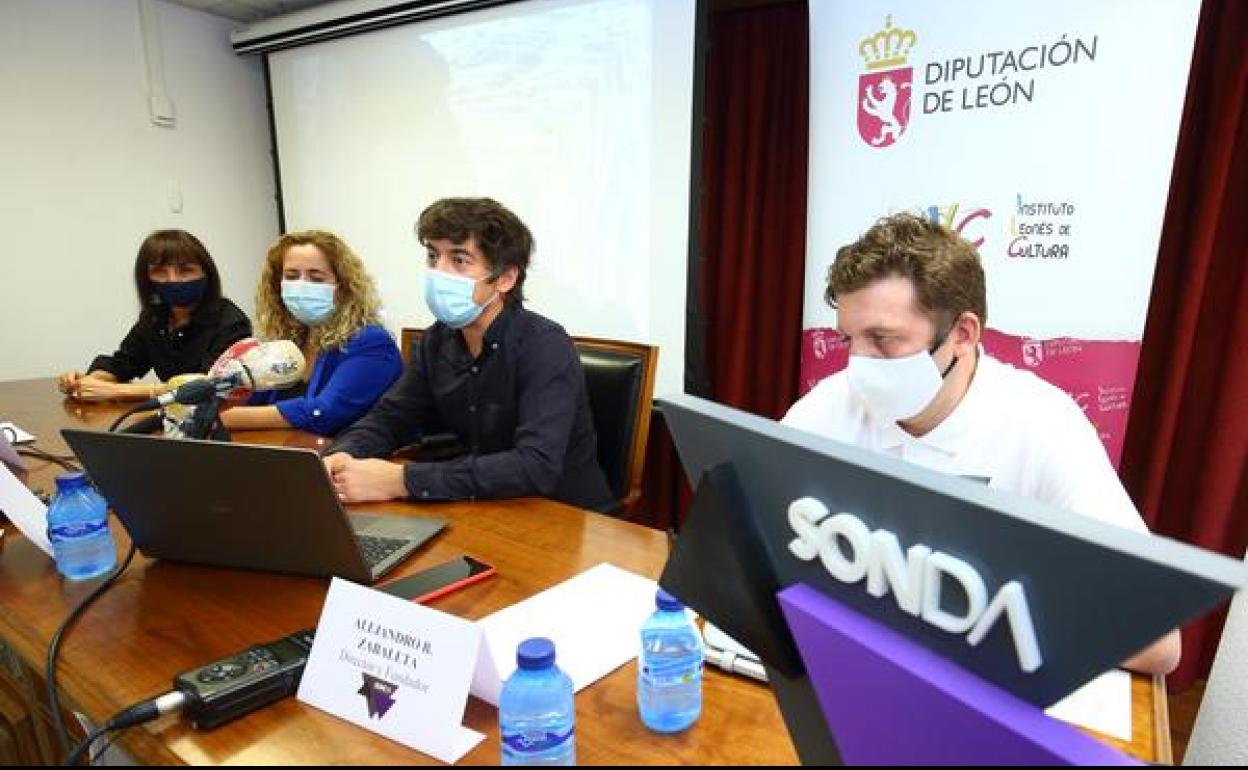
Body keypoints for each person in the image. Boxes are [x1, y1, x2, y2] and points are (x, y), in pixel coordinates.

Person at [782, 212, 1181, 676]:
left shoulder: (1044, 425)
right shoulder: (833, 402)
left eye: (883, 340)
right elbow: (757, 528)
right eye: (849, 339)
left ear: (962, 335)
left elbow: (1158, 641)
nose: (859, 365)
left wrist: (960, 613)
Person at [322, 197, 614, 513]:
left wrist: (402, 479)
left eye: (459, 260)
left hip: (564, 516)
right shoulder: (437, 339)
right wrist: (340, 457)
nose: (438, 272)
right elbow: (391, 417)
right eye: (433, 257)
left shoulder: (545, 345)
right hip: (483, 506)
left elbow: (536, 465)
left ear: (505, 278)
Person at [220, 230, 402, 436]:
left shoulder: (371, 342)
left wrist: (224, 418)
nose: (301, 286)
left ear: (343, 288)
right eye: (291, 276)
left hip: (349, 459)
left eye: (316, 278)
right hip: (288, 453)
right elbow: (252, 398)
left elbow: (323, 414)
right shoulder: (289, 340)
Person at [56, 230, 251, 402]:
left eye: (185, 270)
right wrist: (88, 382)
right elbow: (123, 363)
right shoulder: (155, 317)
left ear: (206, 273)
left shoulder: (232, 323)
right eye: (160, 271)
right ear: (146, 279)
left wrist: (117, 391)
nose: (173, 280)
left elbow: (209, 385)